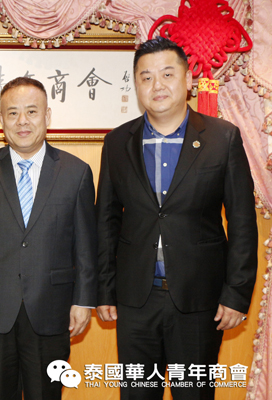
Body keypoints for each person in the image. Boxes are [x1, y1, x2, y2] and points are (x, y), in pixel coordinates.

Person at [96, 37, 258, 399]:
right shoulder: (117, 142)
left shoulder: (222, 138)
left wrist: (236, 294)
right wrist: (104, 290)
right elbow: (106, 221)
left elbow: (242, 223)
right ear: (137, 85)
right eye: (146, 77)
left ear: (187, 80)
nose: (157, 85)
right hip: (135, 300)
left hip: (199, 300)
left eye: (167, 74)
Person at [0, 77, 98, 400]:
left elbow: (85, 246)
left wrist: (83, 300)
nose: (22, 121)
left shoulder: (76, 172)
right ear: (1, 119)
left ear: (47, 116)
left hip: (52, 308)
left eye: (32, 112)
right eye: (13, 113)